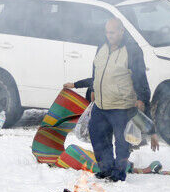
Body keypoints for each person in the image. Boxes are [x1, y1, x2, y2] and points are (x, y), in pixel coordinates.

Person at [64, 17, 150, 182]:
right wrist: (93, 89)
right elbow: (96, 71)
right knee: (97, 135)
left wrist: (142, 99)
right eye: (107, 32)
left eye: (112, 32)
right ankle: (106, 168)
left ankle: (119, 173)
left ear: (121, 31)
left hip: (121, 105)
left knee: (121, 141)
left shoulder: (132, 49)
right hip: (101, 104)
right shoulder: (101, 47)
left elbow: (140, 77)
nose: (109, 35)